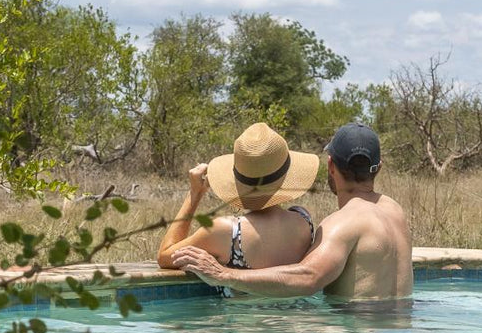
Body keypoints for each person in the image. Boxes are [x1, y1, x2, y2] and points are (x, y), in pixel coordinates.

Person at [173, 123, 412, 302]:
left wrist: (224, 275)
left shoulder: (341, 224)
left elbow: (307, 278)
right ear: (378, 168)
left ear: (330, 166)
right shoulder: (394, 211)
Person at [156, 123, 319, 293]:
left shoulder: (225, 231)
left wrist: (194, 194)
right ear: (286, 176)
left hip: (241, 319)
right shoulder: (303, 220)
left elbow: (165, 256)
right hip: (296, 317)